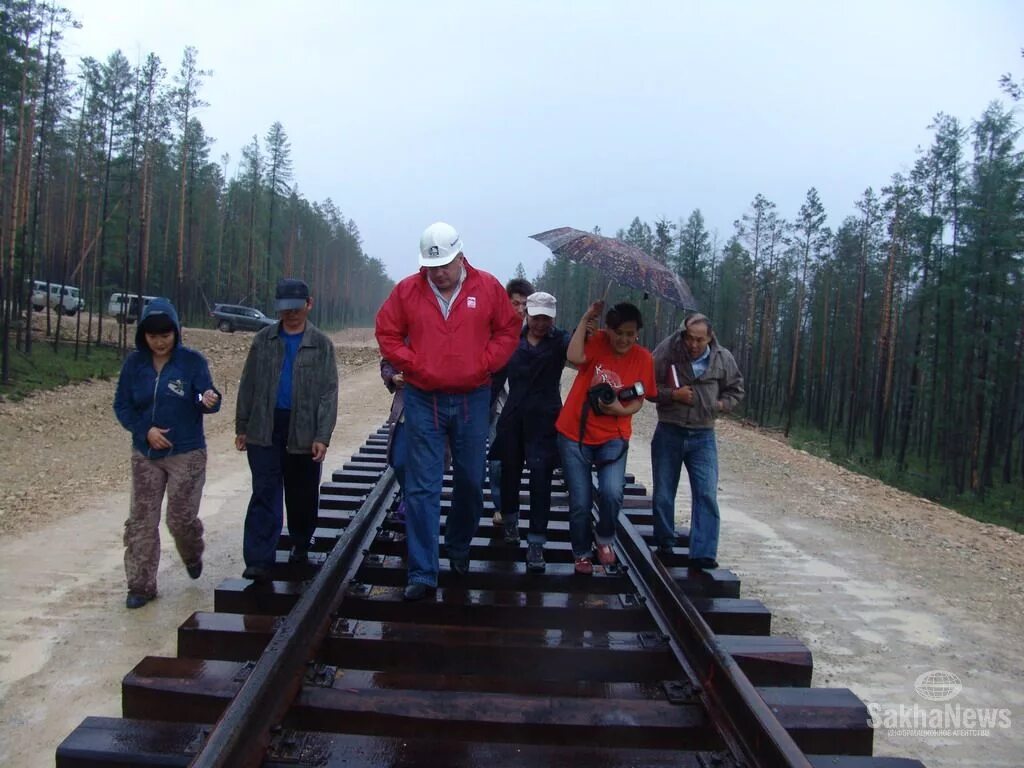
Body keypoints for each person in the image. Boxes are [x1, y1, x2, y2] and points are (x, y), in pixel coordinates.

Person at [376, 221, 521, 601]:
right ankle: (423, 571)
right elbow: (387, 332)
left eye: (443, 265)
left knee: (472, 481)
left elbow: (509, 330)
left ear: (460, 256)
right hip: (425, 399)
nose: (437, 273)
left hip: (474, 398)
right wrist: (412, 362)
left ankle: (458, 545)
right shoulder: (408, 290)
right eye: (430, 266)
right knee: (423, 487)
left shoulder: (487, 287)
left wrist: (485, 362)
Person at [113, 298, 221, 609]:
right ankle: (141, 585)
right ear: (143, 336)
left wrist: (208, 399)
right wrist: (144, 429)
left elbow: (204, 394)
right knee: (141, 521)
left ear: (176, 332)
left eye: (165, 335)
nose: (159, 342)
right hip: (145, 453)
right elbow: (122, 405)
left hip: (187, 453)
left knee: (179, 518)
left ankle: (192, 552)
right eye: (152, 336)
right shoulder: (134, 365)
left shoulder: (192, 362)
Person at [235, 278, 338, 582]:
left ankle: (301, 541)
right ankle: (258, 559)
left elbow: (328, 393)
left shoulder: (321, 344)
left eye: (296, 307)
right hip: (265, 427)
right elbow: (248, 384)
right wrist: (242, 425)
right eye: (285, 308)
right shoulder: (263, 340)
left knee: (302, 493)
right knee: (264, 492)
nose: (291, 314)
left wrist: (322, 436)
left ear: (309, 304)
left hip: (304, 430)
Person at [555, 301, 657, 575]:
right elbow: (574, 357)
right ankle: (581, 553)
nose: (624, 339)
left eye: (630, 334)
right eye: (619, 332)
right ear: (608, 330)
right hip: (574, 431)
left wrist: (620, 409)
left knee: (612, 492)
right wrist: (586, 316)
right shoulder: (596, 341)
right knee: (580, 501)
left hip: (614, 435)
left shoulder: (643, 358)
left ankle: (604, 539)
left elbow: (640, 399)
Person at [649, 312, 744, 569]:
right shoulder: (667, 352)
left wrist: (721, 404)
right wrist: (673, 395)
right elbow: (648, 387)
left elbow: (736, 388)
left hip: (704, 434)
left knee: (706, 493)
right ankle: (665, 542)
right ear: (683, 334)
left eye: (699, 340)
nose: (693, 344)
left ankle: (703, 553)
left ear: (710, 338)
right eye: (690, 338)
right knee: (664, 493)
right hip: (669, 430)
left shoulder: (723, 358)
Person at [489, 291, 570, 572]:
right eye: (536, 317)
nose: (540, 323)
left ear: (553, 318)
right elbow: (496, 377)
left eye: (546, 318)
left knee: (540, 482)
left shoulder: (561, 341)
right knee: (509, 474)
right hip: (512, 419)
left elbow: (582, 356)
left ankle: (536, 543)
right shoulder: (512, 339)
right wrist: (479, 411)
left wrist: (589, 322)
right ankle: (510, 522)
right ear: (527, 315)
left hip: (545, 421)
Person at [489, 277, 533, 528]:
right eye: (514, 303)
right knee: (496, 461)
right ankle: (501, 506)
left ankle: (510, 507)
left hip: (525, 411)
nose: (519, 309)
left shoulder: (536, 334)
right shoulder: (496, 332)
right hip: (498, 407)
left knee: (518, 462)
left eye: (524, 305)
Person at [381, 358, 409, 523]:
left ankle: (411, 503)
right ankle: (407, 495)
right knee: (399, 461)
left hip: (432, 407)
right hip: (404, 408)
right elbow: (386, 363)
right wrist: (392, 377)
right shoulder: (403, 334)